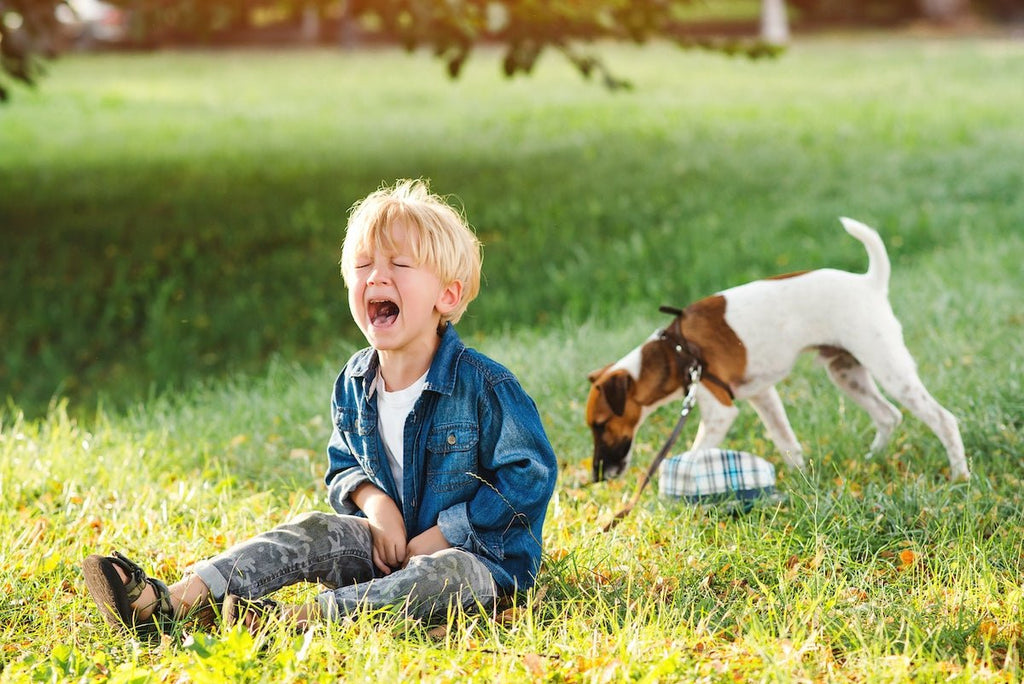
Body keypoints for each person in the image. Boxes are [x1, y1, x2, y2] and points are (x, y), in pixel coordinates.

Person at [82, 179, 559, 634]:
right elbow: (344, 465)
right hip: (386, 547)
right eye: (364, 264)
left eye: (399, 265)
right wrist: (377, 507)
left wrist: (443, 535)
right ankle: (175, 600)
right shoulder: (355, 381)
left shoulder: (483, 386)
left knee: (446, 575)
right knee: (310, 531)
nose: (377, 276)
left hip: (479, 564)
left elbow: (528, 476)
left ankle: (298, 621)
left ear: (447, 295)